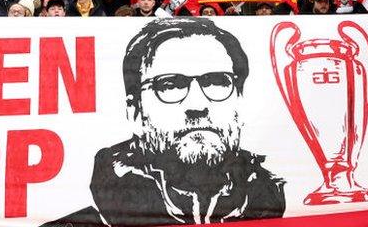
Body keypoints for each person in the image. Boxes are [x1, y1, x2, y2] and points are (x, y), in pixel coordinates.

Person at [42, 18, 284, 226]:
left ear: (240, 102)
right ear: (135, 111)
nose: (197, 105)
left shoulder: (285, 208)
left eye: (217, 82)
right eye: (170, 85)